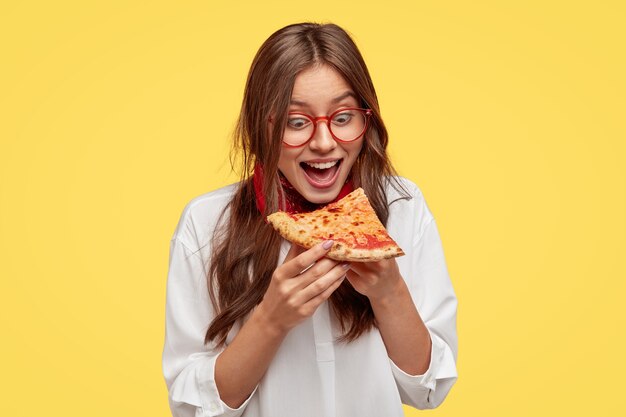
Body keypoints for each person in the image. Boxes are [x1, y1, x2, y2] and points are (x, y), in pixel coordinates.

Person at [162, 22, 458, 417]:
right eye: (296, 122)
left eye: (343, 117)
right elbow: (190, 407)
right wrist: (271, 319)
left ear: (365, 119)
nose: (323, 142)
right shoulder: (206, 224)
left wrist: (389, 293)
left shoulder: (403, 206)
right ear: (260, 125)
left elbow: (428, 390)